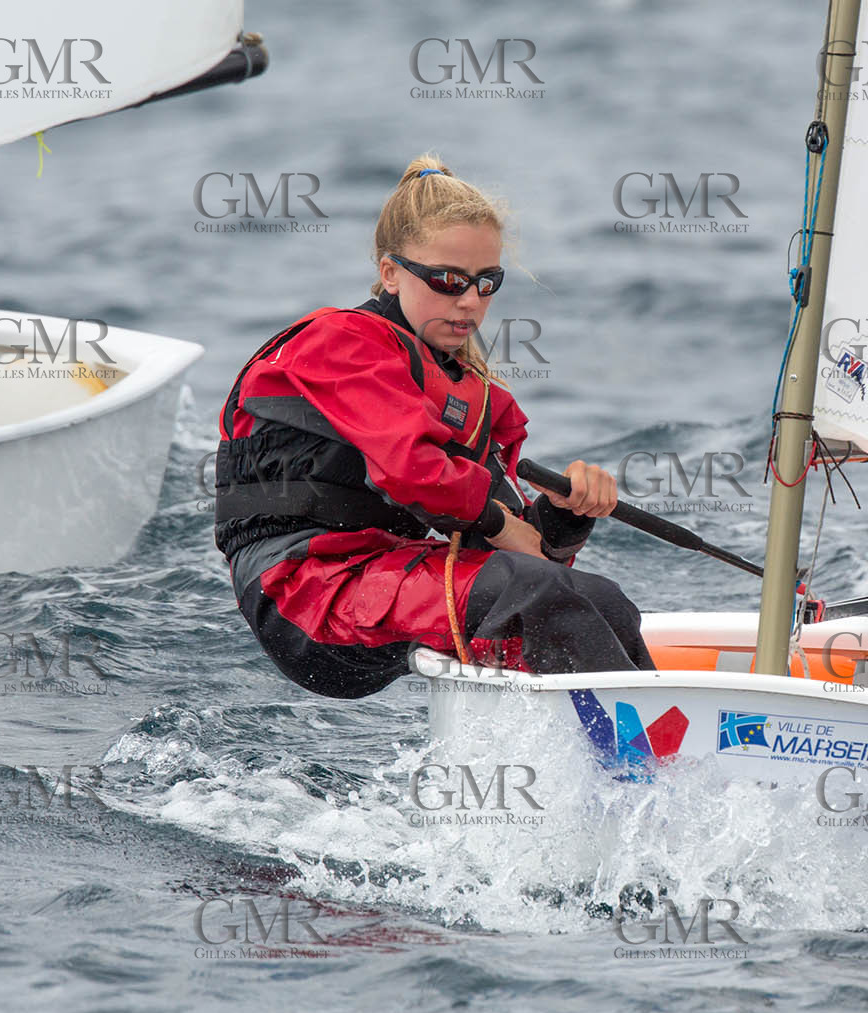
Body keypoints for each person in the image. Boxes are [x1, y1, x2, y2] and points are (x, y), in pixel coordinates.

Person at [213, 155, 655, 698]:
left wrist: (565, 518)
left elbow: (525, 548)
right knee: (542, 596)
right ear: (390, 272)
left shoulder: (477, 395)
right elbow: (412, 469)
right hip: (299, 591)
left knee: (600, 600)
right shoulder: (342, 342)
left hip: (383, 571)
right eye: (448, 281)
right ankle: (640, 770)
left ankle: (656, 752)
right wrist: (500, 527)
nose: (469, 302)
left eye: (487, 283)